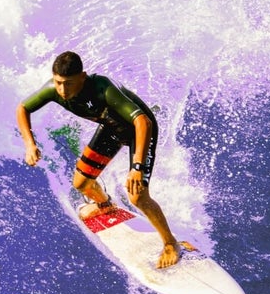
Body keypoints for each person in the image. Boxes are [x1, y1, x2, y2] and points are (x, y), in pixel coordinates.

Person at [16, 51, 181, 268]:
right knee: (81, 184)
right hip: (112, 129)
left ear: (82, 77)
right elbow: (23, 108)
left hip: (140, 131)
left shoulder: (103, 88)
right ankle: (105, 205)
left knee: (137, 196)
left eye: (68, 83)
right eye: (58, 83)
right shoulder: (53, 90)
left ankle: (170, 243)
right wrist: (30, 144)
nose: (63, 90)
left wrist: (137, 167)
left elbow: (142, 121)